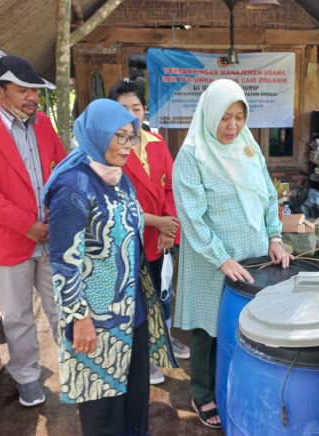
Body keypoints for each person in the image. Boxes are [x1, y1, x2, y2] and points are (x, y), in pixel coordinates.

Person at [43, 99, 175, 436]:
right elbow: (63, 262)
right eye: (120, 137)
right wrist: (79, 317)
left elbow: (128, 223)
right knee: (103, 413)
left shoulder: (118, 177)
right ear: (98, 135)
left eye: (132, 137)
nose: (128, 146)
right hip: (96, 322)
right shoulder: (73, 187)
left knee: (133, 406)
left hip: (133, 313)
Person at [172, 79, 290, 428]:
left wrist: (275, 236)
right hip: (213, 261)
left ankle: (235, 383)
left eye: (239, 116)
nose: (233, 126)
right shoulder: (192, 156)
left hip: (254, 256)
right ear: (210, 115)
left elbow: (269, 196)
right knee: (208, 328)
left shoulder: (248, 147)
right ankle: (203, 392)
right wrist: (221, 258)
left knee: (247, 325)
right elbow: (191, 218)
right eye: (225, 117)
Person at [0, 55, 67, 407]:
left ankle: (79, 368)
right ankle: (27, 376)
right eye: (22, 90)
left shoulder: (43, 125)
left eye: (34, 90)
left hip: (51, 235)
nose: (31, 97)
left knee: (63, 307)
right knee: (18, 315)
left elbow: (62, 170)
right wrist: (28, 226)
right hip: (9, 240)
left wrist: (59, 216)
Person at [109, 79, 191, 386]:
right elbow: (115, 205)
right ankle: (145, 356)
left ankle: (165, 341)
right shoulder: (110, 148)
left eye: (136, 107)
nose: (131, 114)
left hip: (160, 237)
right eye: (122, 109)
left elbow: (172, 186)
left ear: (145, 110)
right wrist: (157, 222)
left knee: (162, 292)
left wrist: (169, 224)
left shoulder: (156, 142)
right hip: (129, 241)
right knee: (138, 301)